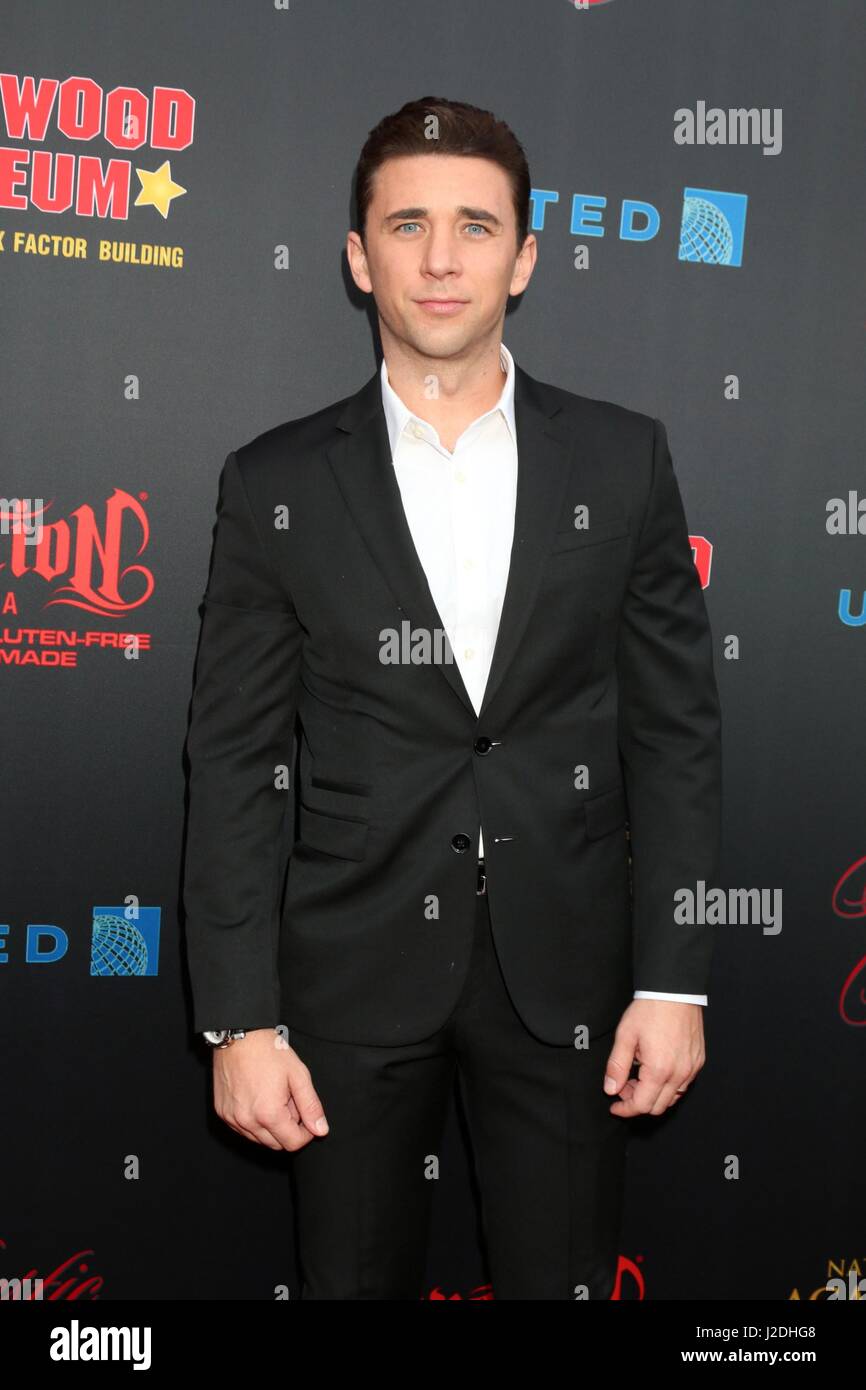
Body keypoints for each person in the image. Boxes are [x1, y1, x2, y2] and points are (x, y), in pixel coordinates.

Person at [182, 96, 722, 1300]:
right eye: (406, 224)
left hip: (570, 980)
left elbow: (673, 733)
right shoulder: (273, 482)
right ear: (355, 254)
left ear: (523, 259)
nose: (439, 258)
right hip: (346, 980)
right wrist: (239, 1020)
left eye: (474, 226)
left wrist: (671, 976)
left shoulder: (620, 460)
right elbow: (232, 760)